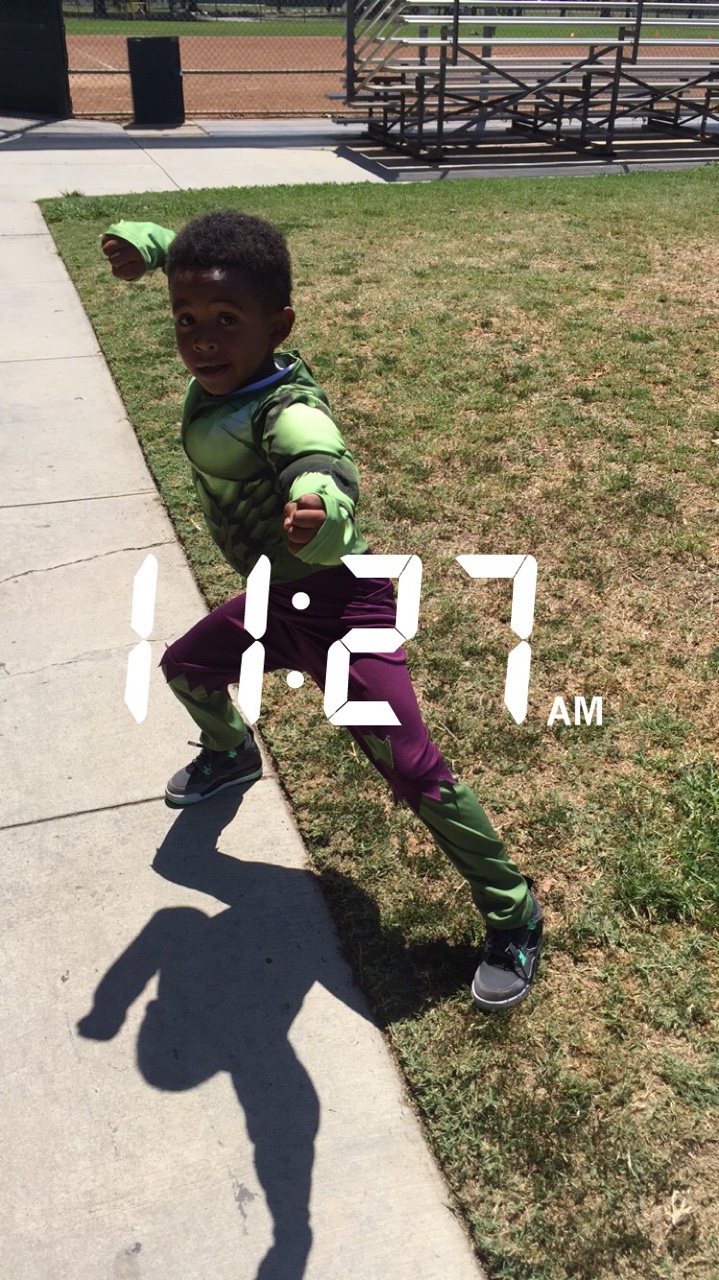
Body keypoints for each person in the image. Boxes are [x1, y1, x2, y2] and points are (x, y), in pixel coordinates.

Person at [101, 210, 544, 1012]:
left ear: (279, 327)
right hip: (276, 601)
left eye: (226, 322)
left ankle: (513, 912)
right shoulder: (226, 355)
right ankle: (231, 753)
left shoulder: (286, 408)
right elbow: (198, 262)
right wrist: (148, 242)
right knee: (187, 669)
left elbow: (321, 462)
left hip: (343, 611)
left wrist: (321, 507)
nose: (201, 340)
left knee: (411, 769)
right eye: (186, 320)